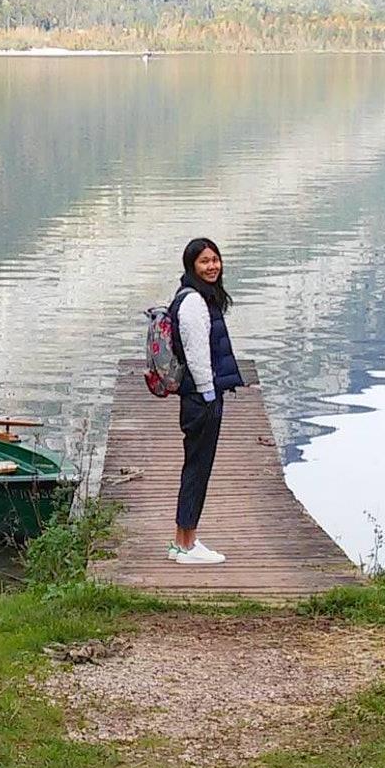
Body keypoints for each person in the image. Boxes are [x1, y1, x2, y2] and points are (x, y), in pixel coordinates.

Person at [167, 237, 244, 565]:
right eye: (204, 262)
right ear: (192, 266)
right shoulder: (195, 303)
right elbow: (197, 355)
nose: (212, 266)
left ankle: (182, 541)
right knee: (197, 469)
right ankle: (187, 545)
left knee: (195, 468)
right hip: (201, 398)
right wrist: (209, 394)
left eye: (215, 259)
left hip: (198, 396)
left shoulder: (193, 297)